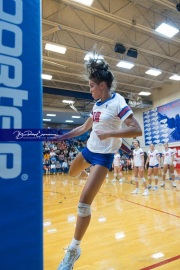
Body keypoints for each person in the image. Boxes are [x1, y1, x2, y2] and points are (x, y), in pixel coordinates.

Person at [55, 57, 142, 270]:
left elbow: (136, 129)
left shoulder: (118, 102)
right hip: (88, 150)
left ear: (102, 85)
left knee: (84, 204)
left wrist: (110, 133)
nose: (90, 90)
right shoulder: (96, 105)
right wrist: (63, 136)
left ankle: (74, 250)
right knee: (71, 173)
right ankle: (89, 174)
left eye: (92, 86)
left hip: (104, 157)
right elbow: (83, 128)